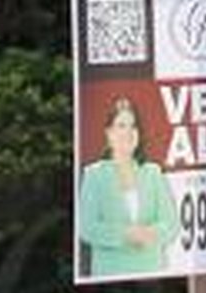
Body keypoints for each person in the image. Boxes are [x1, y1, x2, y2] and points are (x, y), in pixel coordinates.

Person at [75, 90, 175, 280]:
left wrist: (148, 233)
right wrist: (126, 234)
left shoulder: (152, 172)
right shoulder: (94, 175)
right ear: (109, 133)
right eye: (121, 125)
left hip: (152, 271)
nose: (128, 132)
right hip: (110, 275)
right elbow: (87, 227)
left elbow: (171, 224)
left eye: (133, 126)